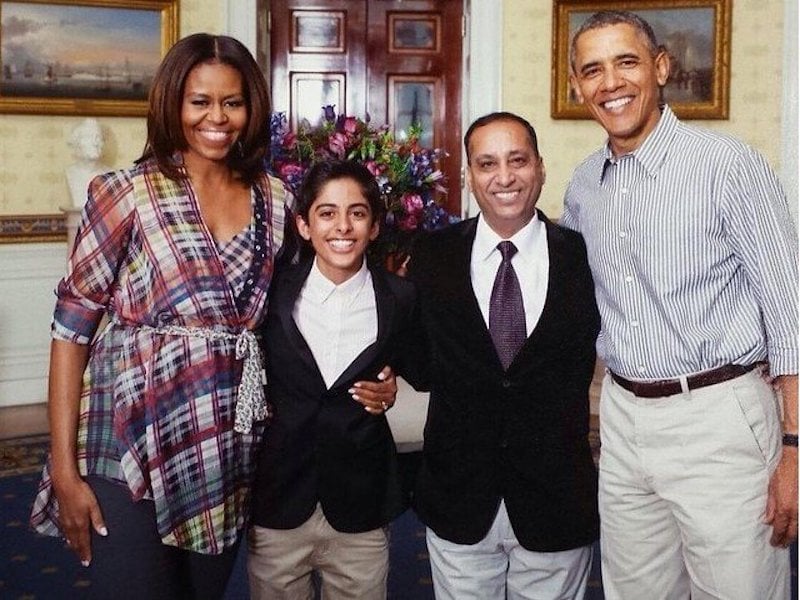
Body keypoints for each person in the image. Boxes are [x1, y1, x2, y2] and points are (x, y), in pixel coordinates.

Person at [29, 33, 396, 599]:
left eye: (233, 102)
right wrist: (62, 468)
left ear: (251, 109)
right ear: (173, 103)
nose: (217, 118)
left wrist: (378, 373)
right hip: (126, 435)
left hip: (225, 439)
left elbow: (306, 308)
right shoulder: (124, 192)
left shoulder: (274, 198)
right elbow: (70, 332)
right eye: (200, 101)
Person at [563, 10, 798, 599]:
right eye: (592, 70)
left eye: (626, 62)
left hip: (720, 421)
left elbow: (790, 312)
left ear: (661, 67)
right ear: (577, 85)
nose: (610, 83)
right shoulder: (583, 185)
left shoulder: (728, 167)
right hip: (621, 422)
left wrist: (795, 448)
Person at [406, 112, 600, 599]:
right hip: (460, 494)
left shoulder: (584, 256)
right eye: (487, 163)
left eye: (518, 160)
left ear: (540, 167)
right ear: (470, 176)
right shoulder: (432, 255)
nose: (504, 176)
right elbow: (416, 356)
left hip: (556, 497)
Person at [247, 160, 427, 600]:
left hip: (361, 504)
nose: (342, 226)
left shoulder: (401, 298)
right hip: (279, 497)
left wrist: (391, 387)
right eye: (327, 213)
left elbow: (421, 367)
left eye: (357, 213)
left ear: (375, 226)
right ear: (304, 226)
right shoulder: (271, 293)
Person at [65, 118, 110, 209]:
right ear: (76, 142)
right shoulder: (70, 173)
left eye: (99, 138)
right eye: (89, 137)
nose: (96, 143)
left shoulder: (110, 174)